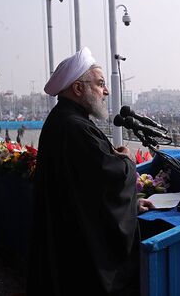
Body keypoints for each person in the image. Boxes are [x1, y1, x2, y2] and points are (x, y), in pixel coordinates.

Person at [28, 47, 154, 295]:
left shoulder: (64, 120)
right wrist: (128, 161)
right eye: (100, 84)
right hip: (79, 250)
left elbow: (87, 188)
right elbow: (110, 177)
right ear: (78, 88)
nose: (106, 92)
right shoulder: (75, 127)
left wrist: (131, 206)